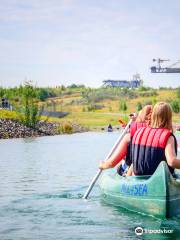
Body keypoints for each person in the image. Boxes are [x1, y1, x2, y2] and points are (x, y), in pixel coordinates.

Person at [130, 102, 180, 176]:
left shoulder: (139, 132)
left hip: (138, 179)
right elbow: (172, 161)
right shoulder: (168, 137)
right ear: (169, 118)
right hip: (159, 180)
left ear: (153, 116)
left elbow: (134, 162)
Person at [99, 105, 152, 171]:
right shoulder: (160, 134)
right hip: (152, 170)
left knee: (123, 162)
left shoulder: (129, 137)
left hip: (132, 170)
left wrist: (102, 165)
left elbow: (111, 163)